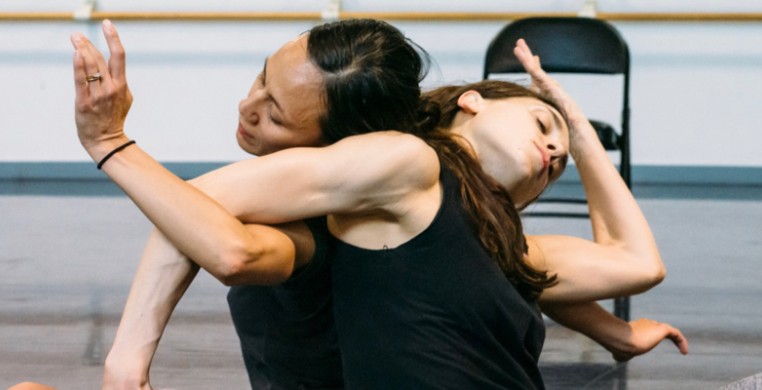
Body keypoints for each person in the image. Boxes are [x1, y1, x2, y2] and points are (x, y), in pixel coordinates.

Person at [70, 20, 687, 389]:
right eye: (540, 119)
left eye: (561, 142)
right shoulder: (400, 171)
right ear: (473, 100)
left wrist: (616, 331)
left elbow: (631, 264)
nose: (554, 144)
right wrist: (111, 143)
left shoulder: (499, 236)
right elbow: (224, 239)